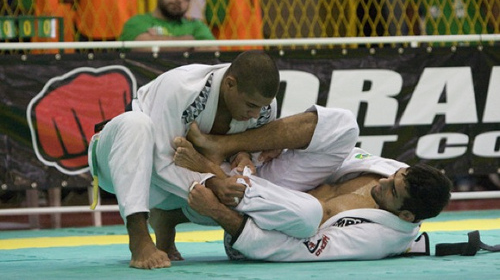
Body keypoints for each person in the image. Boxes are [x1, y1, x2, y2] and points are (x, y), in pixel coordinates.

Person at [172, 105, 452, 261]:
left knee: (311, 214)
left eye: (393, 189)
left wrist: (218, 213)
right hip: (259, 178)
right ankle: (223, 146)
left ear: (405, 215)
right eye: (395, 176)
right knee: (345, 126)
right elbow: (333, 154)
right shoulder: (397, 174)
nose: (387, 180)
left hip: (253, 220)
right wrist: (278, 147)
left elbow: (297, 250)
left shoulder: (379, 239)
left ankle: (212, 171)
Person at [88, 50, 280, 269]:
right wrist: (214, 182)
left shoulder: (263, 108)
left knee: (242, 189)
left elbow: (251, 154)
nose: (256, 114)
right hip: (118, 167)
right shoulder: (184, 88)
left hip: (168, 187)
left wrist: (244, 158)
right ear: (230, 84)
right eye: (251, 106)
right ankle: (139, 237)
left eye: (261, 107)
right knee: (136, 124)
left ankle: (166, 219)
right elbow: (161, 161)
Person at [119, 0, 218, 52]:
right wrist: (189, 41)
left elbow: (212, 50)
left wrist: (157, 40)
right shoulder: (137, 22)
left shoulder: (197, 26)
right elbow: (143, 46)